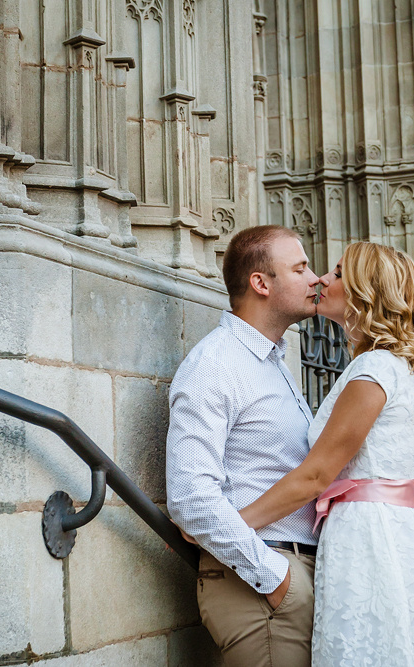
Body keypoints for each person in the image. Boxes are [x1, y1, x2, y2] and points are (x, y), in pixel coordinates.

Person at [238, 242, 414, 666]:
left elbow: (316, 477)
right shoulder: (396, 365)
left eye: (337, 274)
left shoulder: (374, 368)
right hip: (396, 535)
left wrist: (229, 526)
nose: (321, 279)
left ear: (364, 292)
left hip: (369, 540)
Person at [165, 225, 320, 667]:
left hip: (285, 579)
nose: (315, 279)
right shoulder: (215, 364)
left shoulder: (274, 362)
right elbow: (192, 497)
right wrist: (276, 580)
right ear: (261, 282)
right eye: (300, 268)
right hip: (260, 585)